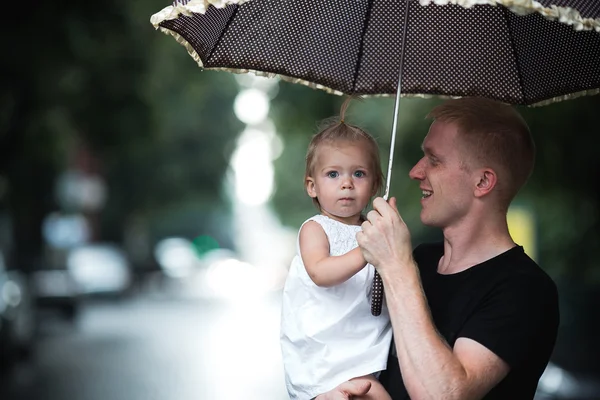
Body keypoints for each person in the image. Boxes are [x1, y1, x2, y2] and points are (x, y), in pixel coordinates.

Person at [316, 97, 560, 399]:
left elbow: (444, 394)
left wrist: (395, 266)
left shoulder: (525, 290)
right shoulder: (421, 260)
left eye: (434, 159)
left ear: (482, 181)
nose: (416, 172)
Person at [280, 98, 393, 400]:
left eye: (358, 174)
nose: (346, 184)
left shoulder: (373, 230)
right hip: (322, 354)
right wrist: (365, 252)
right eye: (333, 174)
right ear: (312, 186)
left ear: (375, 185)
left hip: (361, 354)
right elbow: (320, 272)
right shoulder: (315, 229)